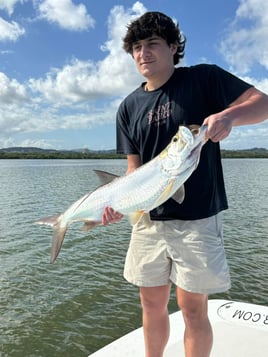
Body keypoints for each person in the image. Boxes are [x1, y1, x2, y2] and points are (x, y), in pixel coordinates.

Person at [102, 11, 268, 357]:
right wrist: (117, 204)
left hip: (198, 219)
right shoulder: (128, 106)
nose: (142, 53)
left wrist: (230, 115)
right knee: (150, 304)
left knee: (193, 310)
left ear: (174, 47)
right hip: (147, 219)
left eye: (152, 44)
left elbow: (262, 104)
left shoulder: (203, 79)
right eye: (136, 47)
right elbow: (134, 170)